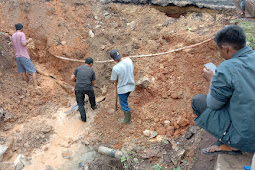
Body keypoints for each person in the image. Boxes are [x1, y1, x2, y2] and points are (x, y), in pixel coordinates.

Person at [191, 25, 255, 154]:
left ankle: (233, 144)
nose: (219, 54)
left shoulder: (227, 68)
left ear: (226, 49)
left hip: (248, 138)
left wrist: (211, 80)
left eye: (219, 50)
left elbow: (213, 105)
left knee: (198, 101)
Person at [110, 49, 135, 124]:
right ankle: (127, 117)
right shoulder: (129, 60)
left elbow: (114, 80)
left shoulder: (115, 68)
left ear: (112, 59)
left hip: (122, 89)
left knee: (123, 104)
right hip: (131, 86)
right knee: (125, 99)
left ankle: (127, 120)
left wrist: (115, 83)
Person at [71, 57, 97, 122]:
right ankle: (93, 106)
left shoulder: (78, 68)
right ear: (91, 64)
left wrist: (76, 81)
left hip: (78, 87)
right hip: (87, 87)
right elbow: (93, 83)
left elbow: (71, 78)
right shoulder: (91, 71)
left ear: (85, 62)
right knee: (92, 96)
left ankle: (83, 118)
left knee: (80, 104)